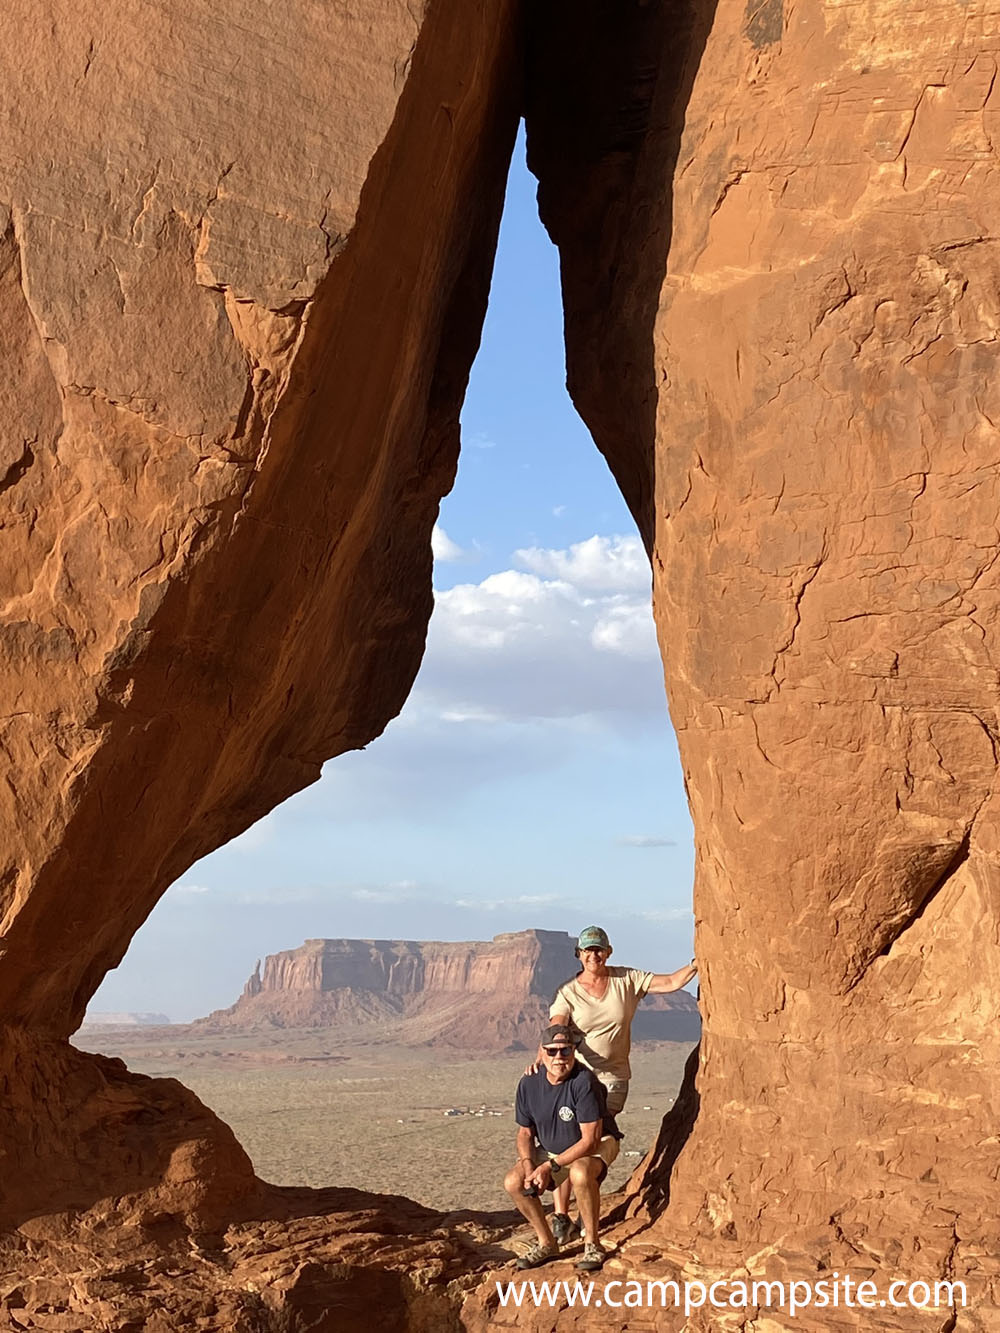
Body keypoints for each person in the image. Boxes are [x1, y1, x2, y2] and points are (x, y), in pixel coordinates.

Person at [546, 925, 698, 1241]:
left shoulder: (626, 979)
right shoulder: (568, 992)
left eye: (598, 949)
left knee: (593, 1142)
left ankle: (585, 1207)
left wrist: (698, 964)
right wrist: (551, 1048)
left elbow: (670, 982)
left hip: (613, 1079)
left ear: (609, 951)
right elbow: (557, 1023)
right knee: (568, 1139)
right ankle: (561, 1216)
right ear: (579, 955)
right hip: (577, 1078)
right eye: (587, 950)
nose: (593, 955)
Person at [504, 1024, 622, 1272]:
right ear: (542, 1052)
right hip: (553, 1150)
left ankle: (592, 1243)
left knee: (579, 1172)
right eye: (553, 1051)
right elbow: (525, 1132)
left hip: (598, 1143)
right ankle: (547, 1243)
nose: (559, 1058)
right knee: (514, 1181)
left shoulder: (583, 1081)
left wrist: (550, 1166)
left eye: (566, 1051)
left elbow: (590, 1140)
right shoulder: (529, 1084)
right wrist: (528, 1165)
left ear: (573, 1052)